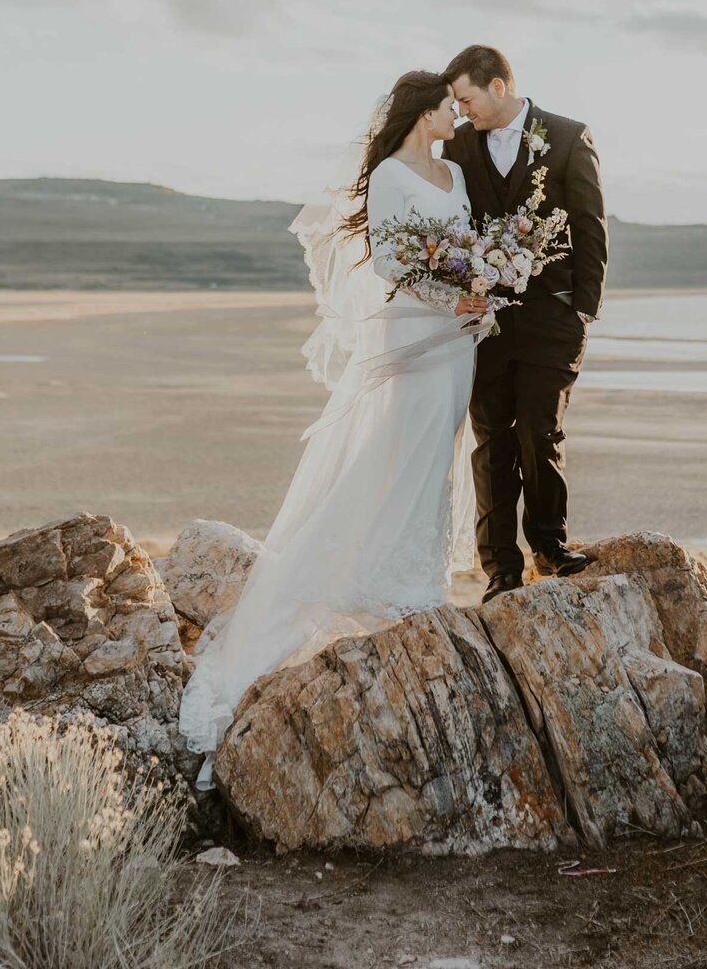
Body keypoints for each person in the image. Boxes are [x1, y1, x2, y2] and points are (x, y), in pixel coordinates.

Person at [178, 70, 490, 785]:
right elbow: (390, 258)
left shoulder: (454, 172)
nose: (456, 115)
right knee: (397, 448)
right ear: (423, 110)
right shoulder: (389, 174)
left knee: (436, 453)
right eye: (448, 106)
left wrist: (478, 291)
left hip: (457, 339)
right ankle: (377, 578)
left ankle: (417, 577)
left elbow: (465, 241)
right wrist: (452, 292)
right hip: (414, 328)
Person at [442, 45, 608, 603]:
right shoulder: (459, 146)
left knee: (541, 432)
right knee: (492, 443)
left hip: (552, 317)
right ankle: (501, 572)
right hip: (484, 321)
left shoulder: (566, 137)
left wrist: (583, 307)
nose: (462, 111)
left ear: (498, 86)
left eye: (466, 98)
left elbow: (590, 226)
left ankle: (550, 547)